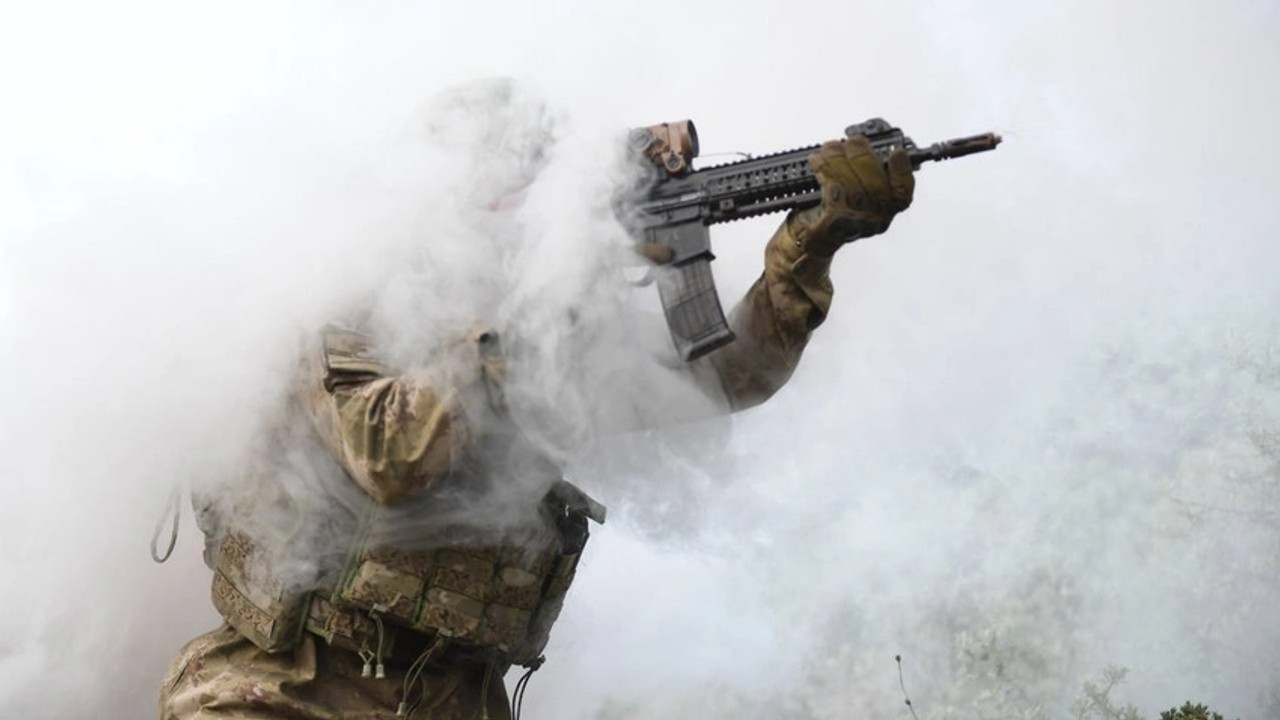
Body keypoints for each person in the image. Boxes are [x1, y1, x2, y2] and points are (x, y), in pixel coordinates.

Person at [158, 83, 915, 720]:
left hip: (456, 698)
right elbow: (388, 455)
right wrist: (550, 296)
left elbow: (725, 379)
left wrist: (810, 245)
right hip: (285, 693)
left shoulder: (548, 331)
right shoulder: (344, 304)